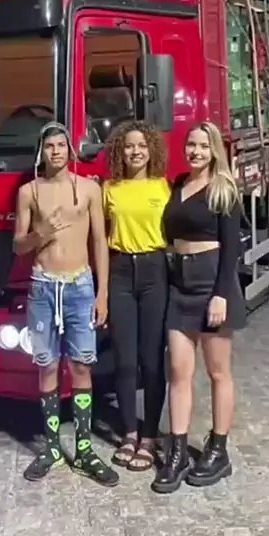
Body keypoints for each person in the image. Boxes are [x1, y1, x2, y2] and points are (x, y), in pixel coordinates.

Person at [13, 121, 119, 487]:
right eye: (50, 146)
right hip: (43, 287)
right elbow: (18, 245)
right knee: (46, 366)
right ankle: (53, 448)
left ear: (70, 150)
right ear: (41, 152)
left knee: (81, 365)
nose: (56, 151)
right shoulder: (29, 192)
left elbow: (100, 242)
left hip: (80, 287)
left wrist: (102, 293)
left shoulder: (89, 188)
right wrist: (38, 235)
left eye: (61, 145)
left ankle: (85, 449)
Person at [152, 121, 246, 494]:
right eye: (191, 145)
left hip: (212, 283)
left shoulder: (224, 189)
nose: (195, 151)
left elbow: (232, 248)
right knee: (178, 370)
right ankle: (176, 453)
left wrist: (221, 294)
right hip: (180, 282)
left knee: (218, 372)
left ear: (214, 151)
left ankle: (218, 450)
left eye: (203, 146)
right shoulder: (178, 184)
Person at [103, 120, 170, 471]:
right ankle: (130, 433)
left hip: (155, 271)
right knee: (125, 359)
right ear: (120, 151)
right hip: (120, 272)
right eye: (129, 145)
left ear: (151, 149)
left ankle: (150, 436)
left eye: (142, 145)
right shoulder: (109, 189)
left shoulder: (164, 187)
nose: (135, 151)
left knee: (152, 360)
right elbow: (98, 237)